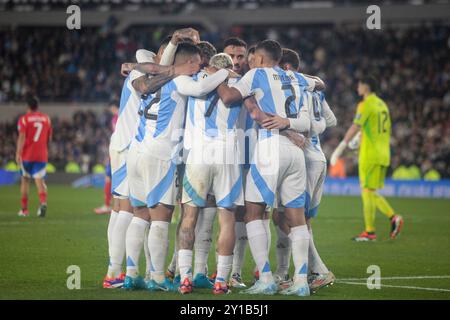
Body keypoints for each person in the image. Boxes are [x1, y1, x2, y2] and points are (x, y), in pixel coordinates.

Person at [216, 39, 323, 296]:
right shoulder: (296, 78)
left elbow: (230, 97)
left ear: (261, 59)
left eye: (253, 59)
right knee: (296, 219)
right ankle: (300, 282)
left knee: (253, 213)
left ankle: (265, 277)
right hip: (296, 152)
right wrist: (287, 121)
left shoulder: (256, 74)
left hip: (269, 149)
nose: (249, 62)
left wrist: (218, 75)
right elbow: (319, 84)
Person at [180, 52, 243, 295]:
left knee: (189, 217)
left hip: (198, 154)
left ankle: (185, 278)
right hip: (227, 153)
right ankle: (221, 281)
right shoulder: (239, 84)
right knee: (226, 219)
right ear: (230, 68)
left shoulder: (196, 81)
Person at [275, 48, 336, 293]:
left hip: (304, 159)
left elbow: (305, 122)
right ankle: (290, 272)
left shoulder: (290, 89)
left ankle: (317, 271)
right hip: (318, 158)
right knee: (295, 219)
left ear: (285, 68)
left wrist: (306, 130)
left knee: (293, 218)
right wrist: (315, 129)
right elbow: (330, 121)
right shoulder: (313, 89)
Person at [330, 76, 404, 241]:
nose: (357, 87)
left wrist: (342, 146)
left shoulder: (365, 104)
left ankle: (371, 231)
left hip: (370, 154)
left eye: (359, 84)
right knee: (370, 191)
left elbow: (356, 125)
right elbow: (373, 128)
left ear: (365, 86)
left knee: (367, 191)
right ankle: (391, 219)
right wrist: (360, 138)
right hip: (383, 153)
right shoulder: (382, 105)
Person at [16, 94, 52, 218]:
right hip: (41, 154)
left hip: (27, 155)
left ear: (28, 106)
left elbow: (21, 137)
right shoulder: (46, 119)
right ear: (38, 106)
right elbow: (49, 138)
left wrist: (18, 152)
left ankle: (24, 210)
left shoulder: (24, 119)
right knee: (40, 181)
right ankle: (43, 202)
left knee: (25, 181)